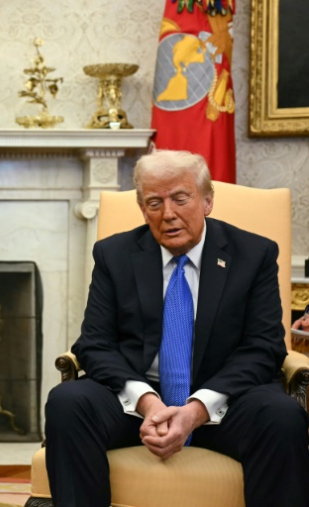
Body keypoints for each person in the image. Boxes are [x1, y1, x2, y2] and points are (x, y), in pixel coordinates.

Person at [45, 150, 309, 506]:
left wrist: (196, 409)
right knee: (67, 402)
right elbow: (94, 344)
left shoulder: (253, 253)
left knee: (282, 415)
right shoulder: (114, 255)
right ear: (143, 209)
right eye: (154, 202)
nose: (167, 214)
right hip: (137, 402)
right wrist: (149, 404)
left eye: (180, 199)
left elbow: (264, 347)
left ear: (207, 201)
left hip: (225, 400)